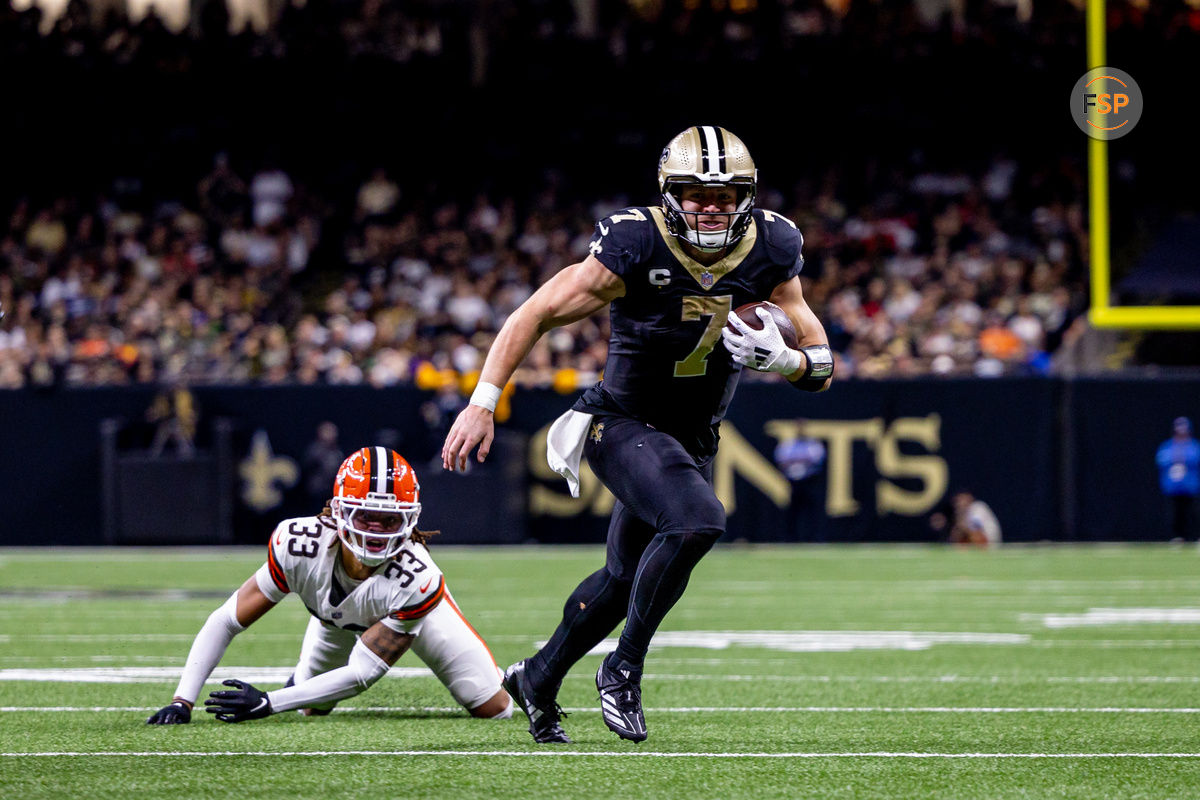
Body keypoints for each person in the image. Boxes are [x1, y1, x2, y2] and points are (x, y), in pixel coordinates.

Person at [442, 126, 833, 743]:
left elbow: (823, 362)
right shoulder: (635, 240)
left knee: (622, 581)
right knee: (699, 521)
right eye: (695, 193)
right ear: (668, 191)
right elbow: (535, 312)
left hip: (692, 438)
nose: (710, 206)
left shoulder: (773, 247)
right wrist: (483, 403)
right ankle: (623, 669)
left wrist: (784, 361)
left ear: (747, 197)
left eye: (725, 194)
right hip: (621, 422)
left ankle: (538, 677)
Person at [146, 446, 511, 725]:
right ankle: (300, 680)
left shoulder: (418, 578)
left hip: (413, 618)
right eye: (366, 515)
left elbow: (361, 674)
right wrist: (183, 701)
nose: (376, 530)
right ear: (339, 510)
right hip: (332, 621)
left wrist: (269, 703)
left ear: (410, 518)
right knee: (312, 705)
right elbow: (226, 620)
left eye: (389, 519)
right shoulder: (298, 544)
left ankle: (525, 677)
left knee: (493, 706)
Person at [1156, 416, 1200, 541]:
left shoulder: (1194, 446)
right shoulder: (1168, 446)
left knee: (1192, 512)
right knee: (1175, 513)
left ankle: (1196, 536)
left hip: (1190, 486)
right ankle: (1178, 537)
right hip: (1173, 487)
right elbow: (1161, 460)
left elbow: (1195, 459)